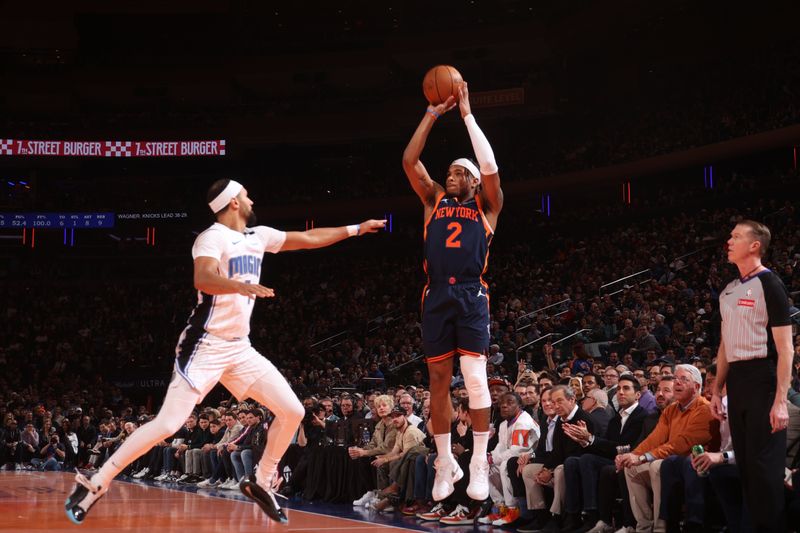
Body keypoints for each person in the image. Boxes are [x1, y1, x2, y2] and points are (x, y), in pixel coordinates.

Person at [65, 179, 386, 524]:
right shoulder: (211, 237)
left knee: (292, 410)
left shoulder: (258, 236)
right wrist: (240, 286)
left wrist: (356, 229)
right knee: (168, 423)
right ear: (233, 202)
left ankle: (262, 480)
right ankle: (97, 482)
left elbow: (306, 239)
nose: (251, 199)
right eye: (246, 195)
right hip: (205, 344)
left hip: (240, 349)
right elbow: (203, 278)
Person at [402, 80, 502, 502]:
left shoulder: (488, 205)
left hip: (470, 294)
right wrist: (431, 114)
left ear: (475, 181)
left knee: (476, 378)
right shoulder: (434, 200)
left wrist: (466, 115)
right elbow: (410, 159)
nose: (451, 176)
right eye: (450, 172)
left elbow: (492, 165)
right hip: (436, 295)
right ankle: (445, 461)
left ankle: (479, 458)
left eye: (460, 172)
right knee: (438, 381)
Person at [711, 220, 794, 532]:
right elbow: (724, 344)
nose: (729, 241)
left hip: (763, 377)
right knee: (746, 467)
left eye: (736, 236)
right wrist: (717, 390)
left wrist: (781, 401)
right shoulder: (728, 290)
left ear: (755, 245)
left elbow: (786, 349)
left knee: (765, 470)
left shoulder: (770, 284)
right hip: (737, 380)